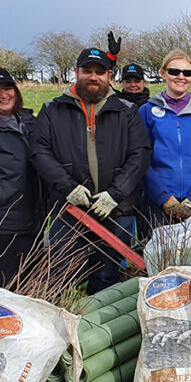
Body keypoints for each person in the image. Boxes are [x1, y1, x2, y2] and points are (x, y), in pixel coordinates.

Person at [31, 48, 150, 293]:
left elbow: (140, 153)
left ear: (109, 76)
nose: (93, 77)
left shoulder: (126, 110)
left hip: (117, 210)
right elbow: (40, 152)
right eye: (87, 71)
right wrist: (67, 187)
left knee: (107, 276)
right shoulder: (52, 110)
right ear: (76, 72)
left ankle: (97, 325)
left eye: (100, 72)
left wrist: (115, 193)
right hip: (70, 209)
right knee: (61, 274)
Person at [138, 50, 191, 229]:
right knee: (161, 257)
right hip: (158, 203)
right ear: (163, 73)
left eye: (187, 73)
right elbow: (140, 158)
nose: (181, 77)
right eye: (174, 71)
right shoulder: (146, 112)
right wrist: (163, 197)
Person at [0, 68, 39, 288]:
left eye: (7, 88)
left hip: (33, 221)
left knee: (25, 288)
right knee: (0, 290)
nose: (3, 95)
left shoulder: (29, 121)